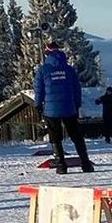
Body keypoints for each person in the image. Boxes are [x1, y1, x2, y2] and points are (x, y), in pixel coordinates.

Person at [34, 42, 93, 174]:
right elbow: (77, 88)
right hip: (69, 107)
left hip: (51, 110)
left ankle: (61, 165)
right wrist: (77, 103)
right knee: (76, 136)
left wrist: (38, 105)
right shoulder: (69, 69)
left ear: (47, 54)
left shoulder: (43, 70)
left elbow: (39, 90)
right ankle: (85, 163)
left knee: (55, 137)